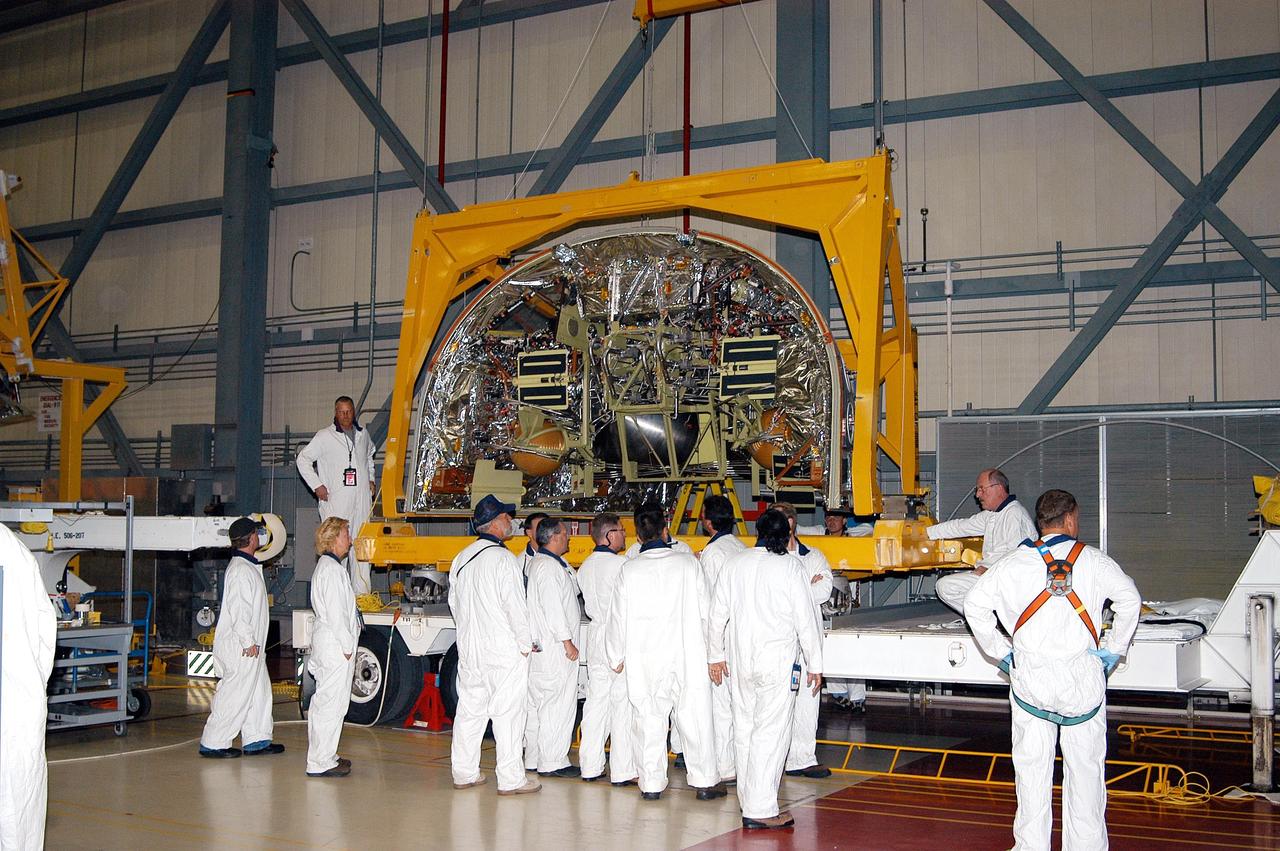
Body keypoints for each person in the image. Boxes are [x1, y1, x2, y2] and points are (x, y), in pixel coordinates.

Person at [965, 489, 1141, 851]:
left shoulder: (1012, 564)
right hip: (1082, 684)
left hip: (1031, 682)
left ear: (1040, 522)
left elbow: (974, 605)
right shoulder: (1094, 561)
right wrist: (1112, 651)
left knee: (1031, 774)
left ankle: (1031, 846)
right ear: (1072, 519)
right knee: (1086, 775)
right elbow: (1130, 600)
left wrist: (1001, 654)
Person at [707, 509, 823, 830]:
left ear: (756, 532)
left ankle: (749, 800)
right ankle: (760, 808)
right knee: (770, 733)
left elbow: (717, 614)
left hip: (740, 660)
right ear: (786, 536)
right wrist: (815, 664)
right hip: (777, 664)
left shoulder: (735, 564)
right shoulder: (790, 568)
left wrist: (715, 656)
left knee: (744, 729)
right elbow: (806, 621)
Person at [604, 504, 726, 802]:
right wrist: (715, 655)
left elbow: (616, 617)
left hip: (645, 656)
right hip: (686, 653)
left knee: (648, 718)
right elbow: (707, 613)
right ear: (665, 528)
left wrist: (615, 656)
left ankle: (651, 783)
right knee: (695, 717)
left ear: (637, 534)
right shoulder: (687, 564)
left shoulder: (629, 570)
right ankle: (705, 781)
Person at [449, 495, 540, 796]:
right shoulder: (503, 560)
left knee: (470, 711)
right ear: (497, 522)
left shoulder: (461, 558)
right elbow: (516, 607)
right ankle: (511, 778)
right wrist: (525, 645)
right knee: (509, 715)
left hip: (471, 649)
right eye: (507, 517)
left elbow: (455, 604)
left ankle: (464, 772)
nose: (511, 522)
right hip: (503, 651)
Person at [199, 517, 286, 759]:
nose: (260, 536)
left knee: (259, 693)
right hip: (241, 647)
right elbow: (239, 611)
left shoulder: (247, 566)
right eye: (257, 533)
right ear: (250, 539)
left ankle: (257, 739)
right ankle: (214, 741)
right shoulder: (239, 570)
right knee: (234, 694)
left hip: (252, 647)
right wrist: (248, 642)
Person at [0, 522, 57, 849]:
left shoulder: (11, 549)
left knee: (15, 805)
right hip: (19, 699)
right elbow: (44, 632)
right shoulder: (15, 548)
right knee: (17, 809)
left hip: (16, 702)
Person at [772, 502, 833, 779]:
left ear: (793, 522)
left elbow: (824, 590)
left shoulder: (814, 555)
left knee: (809, 696)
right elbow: (773, 595)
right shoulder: (769, 557)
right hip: (779, 637)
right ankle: (777, 758)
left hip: (807, 637)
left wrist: (797, 592)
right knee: (777, 700)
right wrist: (805, 586)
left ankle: (803, 758)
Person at [576, 512, 636, 785]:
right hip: (617, 635)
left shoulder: (585, 566)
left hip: (596, 634)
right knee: (622, 703)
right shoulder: (621, 565)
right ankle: (623, 770)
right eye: (622, 530)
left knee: (596, 702)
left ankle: (590, 765)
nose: (625, 534)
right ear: (610, 535)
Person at [296, 396, 378, 595]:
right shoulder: (324, 436)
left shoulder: (363, 434)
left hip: (361, 500)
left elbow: (369, 456)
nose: (345, 415)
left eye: (348, 411)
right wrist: (317, 485)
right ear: (335, 413)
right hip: (336, 502)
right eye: (341, 411)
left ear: (354, 412)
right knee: (336, 546)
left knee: (361, 547)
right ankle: (337, 595)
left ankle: (362, 597)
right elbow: (303, 459)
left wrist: (371, 478)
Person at [928, 468, 1036, 614]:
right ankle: (986, 619)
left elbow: (1016, 555)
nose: (977, 495)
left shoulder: (1014, 514)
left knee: (947, 586)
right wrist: (926, 532)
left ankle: (992, 619)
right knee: (945, 586)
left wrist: (990, 570)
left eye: (981, 489)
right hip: (991, 576)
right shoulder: (992, 515)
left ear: (998, 488)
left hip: (1008, 581)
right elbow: (961, 527)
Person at [523, 517, 582, 778]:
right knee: (556, 705)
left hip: (545, 649)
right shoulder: (547, 566)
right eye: (566, 534)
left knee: (540, 707)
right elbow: (553, 608)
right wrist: (567, 641)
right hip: (555, 649)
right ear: (556, 536)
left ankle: (535, 759)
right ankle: (553, 761)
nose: (569, 538)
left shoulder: (548, 563)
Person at [697, 494, 747, 784]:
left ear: (708, 521)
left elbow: (712, 603)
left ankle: (725, 765)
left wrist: (711, 651)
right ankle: (737, 762)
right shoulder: (739, 547)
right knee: (738, 704)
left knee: (720, 706)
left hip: (721, 637)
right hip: (740, 635)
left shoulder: (714, 554)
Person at [306, 517, 359, 778]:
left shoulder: (331, 568)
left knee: (333, 703)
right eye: (346, 534)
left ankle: (326, 754)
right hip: (336, 646)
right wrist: (348, 647)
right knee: (330, 703)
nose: (350, 539)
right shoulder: (330, 570)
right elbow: (338, 615)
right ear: (334, 538)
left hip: (333, 645)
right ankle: (319, 761)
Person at [821, 509, 868, 713]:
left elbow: (869, 529)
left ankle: (858, 697)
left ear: (844, 520)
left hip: (849, 603)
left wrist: (849, 531)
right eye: (828, 517)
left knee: (854, 650)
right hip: (827, 602)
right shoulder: (818, 538)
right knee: (831, 649)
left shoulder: (853, 538)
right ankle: (838, 693)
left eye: (836, 517)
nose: (831, 521)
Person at [519, 512, 549, 586]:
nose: (547, 531)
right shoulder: (520, 563)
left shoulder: (559, 556)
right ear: (529, 533)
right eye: (541, 528)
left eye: (548, 527)